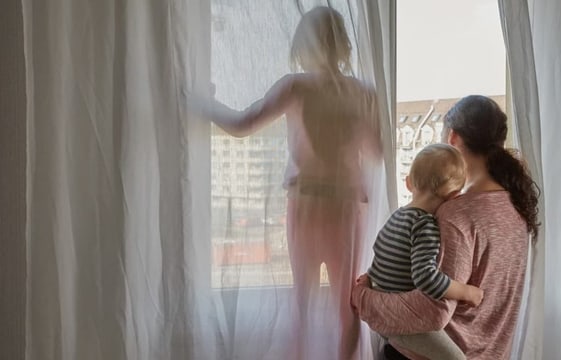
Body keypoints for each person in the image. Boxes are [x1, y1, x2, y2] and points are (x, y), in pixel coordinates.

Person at [188, 6, 383, 360]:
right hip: (347, 206)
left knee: (302, 300)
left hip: (307, 202)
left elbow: (242, 124)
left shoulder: (296, 86)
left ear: (302, 45)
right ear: (344, 47)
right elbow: (378, 151)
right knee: (346, 304)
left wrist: (203, 103)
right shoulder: (363, 92)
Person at [352, 95, 540, 360]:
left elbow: (430, 312)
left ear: (452, 138)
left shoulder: (455, 213)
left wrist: (362, 298)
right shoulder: (515, 206)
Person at [366, 143, 484, 360]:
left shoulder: (397, 216)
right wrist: (467, 292)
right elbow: (425, 277)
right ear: (454, 196)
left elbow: (379, 253)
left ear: (409, 182)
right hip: (401, 321)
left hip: (381, 309)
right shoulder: (425, 225)